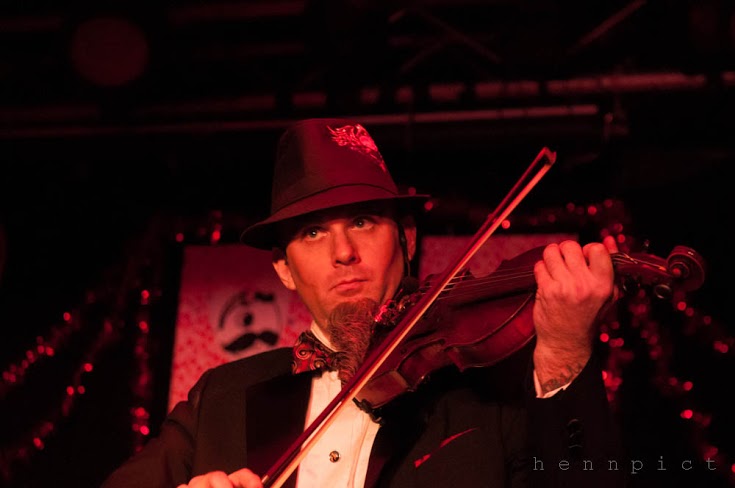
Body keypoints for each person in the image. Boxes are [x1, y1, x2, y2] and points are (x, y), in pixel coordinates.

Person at [102, 118, 626, 488]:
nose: (343, 253)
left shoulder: (497, 393)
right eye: (312, 233)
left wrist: (564, 353)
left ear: (407, 239)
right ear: (283, 269)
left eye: (362, 221)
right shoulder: (221, 398)